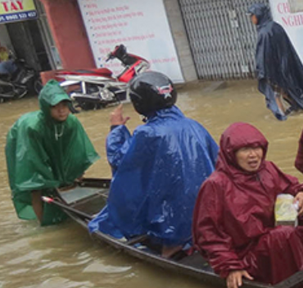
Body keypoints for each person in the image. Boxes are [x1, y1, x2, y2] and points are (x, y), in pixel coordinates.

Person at [192, 123, 303, 288]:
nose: (253, 155)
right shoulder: (216, 185)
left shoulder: (268, 169)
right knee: (283, 235)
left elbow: (292, 186)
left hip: (278, 238)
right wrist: (230, 266)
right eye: (245, 149)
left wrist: (301, 194)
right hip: (247, 256)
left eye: (257, 147)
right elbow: (208, 235)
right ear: (230, 153)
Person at [88, 71, 218, 257]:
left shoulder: (148, 133)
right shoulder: (193, 124)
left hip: (175, 220)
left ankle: (170, 249)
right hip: (208, 213)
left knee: (126, 204)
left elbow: (120, 161)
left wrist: (116, 129)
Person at [5, 80, 99, 226]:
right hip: (24, 141)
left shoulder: (72, 122)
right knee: (36, 186)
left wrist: (78, 172)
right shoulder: (33, 128)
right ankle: (44, 223)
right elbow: (33, 160)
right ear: (46, 108)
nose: (61, 110)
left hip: (53, 140)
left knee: (67, 180)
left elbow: (77, 150)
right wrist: (49, 181)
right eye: (55, 107)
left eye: (64, 105)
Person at [248, 3, 303, 121]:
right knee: (286, 90)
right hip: (284, 66)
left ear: (258, 15)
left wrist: (262, 71)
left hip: (273, 69)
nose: (251, 19)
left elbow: (263, 55)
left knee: (275, 94)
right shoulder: (275, 26)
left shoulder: (264, 32)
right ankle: (299, 108)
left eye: (252, 16)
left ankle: (282, 117)